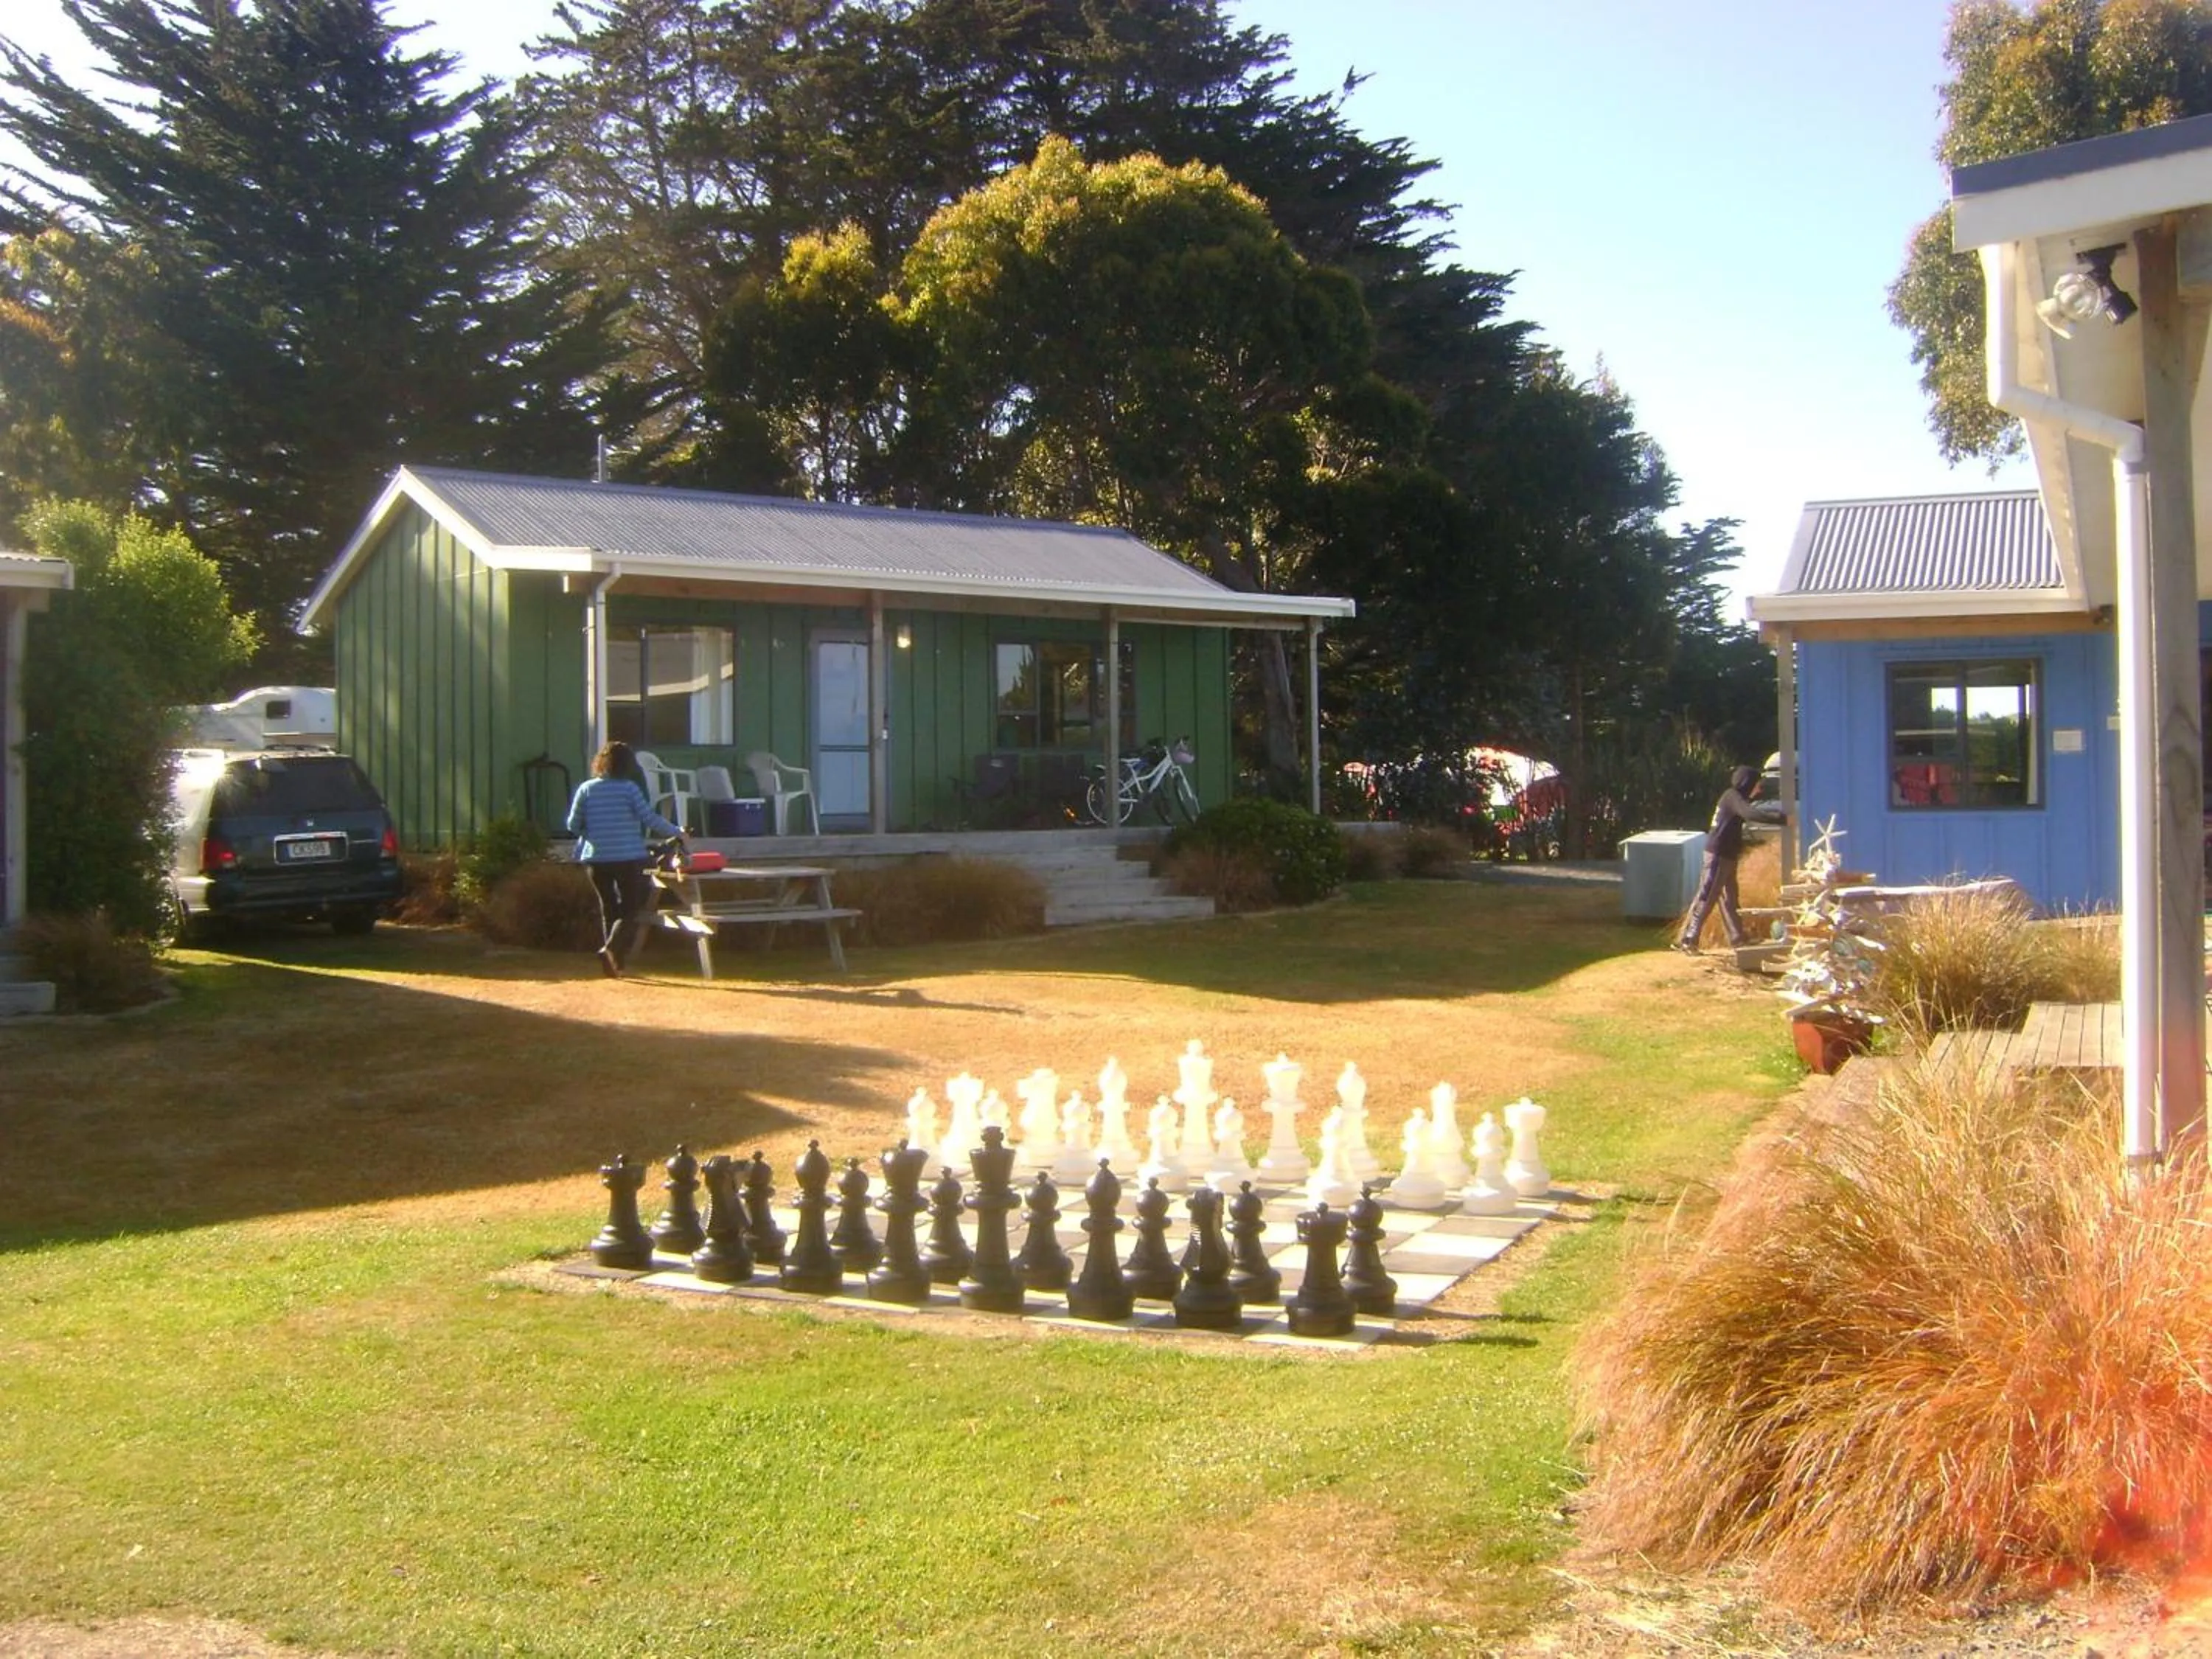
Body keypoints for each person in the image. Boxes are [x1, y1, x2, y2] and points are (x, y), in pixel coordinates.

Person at [567, 740, 684, 977]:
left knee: (608, 908)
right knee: (631, 908)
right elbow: (649, 819)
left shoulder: (587, 789)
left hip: (596, 858)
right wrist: (676, 831)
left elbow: (573, 824)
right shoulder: (629, 789)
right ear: (628, 765)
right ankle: (611, 949)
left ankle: (613, 965)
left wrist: (591, 835)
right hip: (628, 856)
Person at [1676, 764, 1787, 953]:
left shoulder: (1734, 798)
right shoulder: (1733, 797)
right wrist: (1781, 819)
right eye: (1757, 784)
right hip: (1718, 854)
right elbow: (1750, 814)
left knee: (1729, 899)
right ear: (1747, 784)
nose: (1759, 789)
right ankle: (1689, 939)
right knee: (1708, 894)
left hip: (1726, 855)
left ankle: (1737, 938)